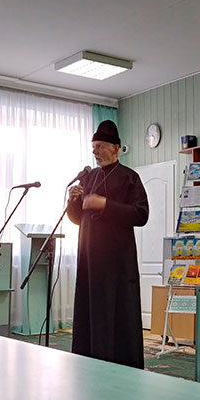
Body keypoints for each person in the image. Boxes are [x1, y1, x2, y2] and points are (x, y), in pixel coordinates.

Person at [67, 120, 149, 369]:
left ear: (116, 149)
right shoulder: (89, 177)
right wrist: (72, 202)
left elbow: (141, 214)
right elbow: (78, 219)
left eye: (100, 146)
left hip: (117, 264)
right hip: (90, 261)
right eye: (93, 146)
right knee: (90, 311)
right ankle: (88, 360)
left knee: (115, 313)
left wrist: (105, 205)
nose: (95, 151)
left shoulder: (129, 177)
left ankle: (117, 365)